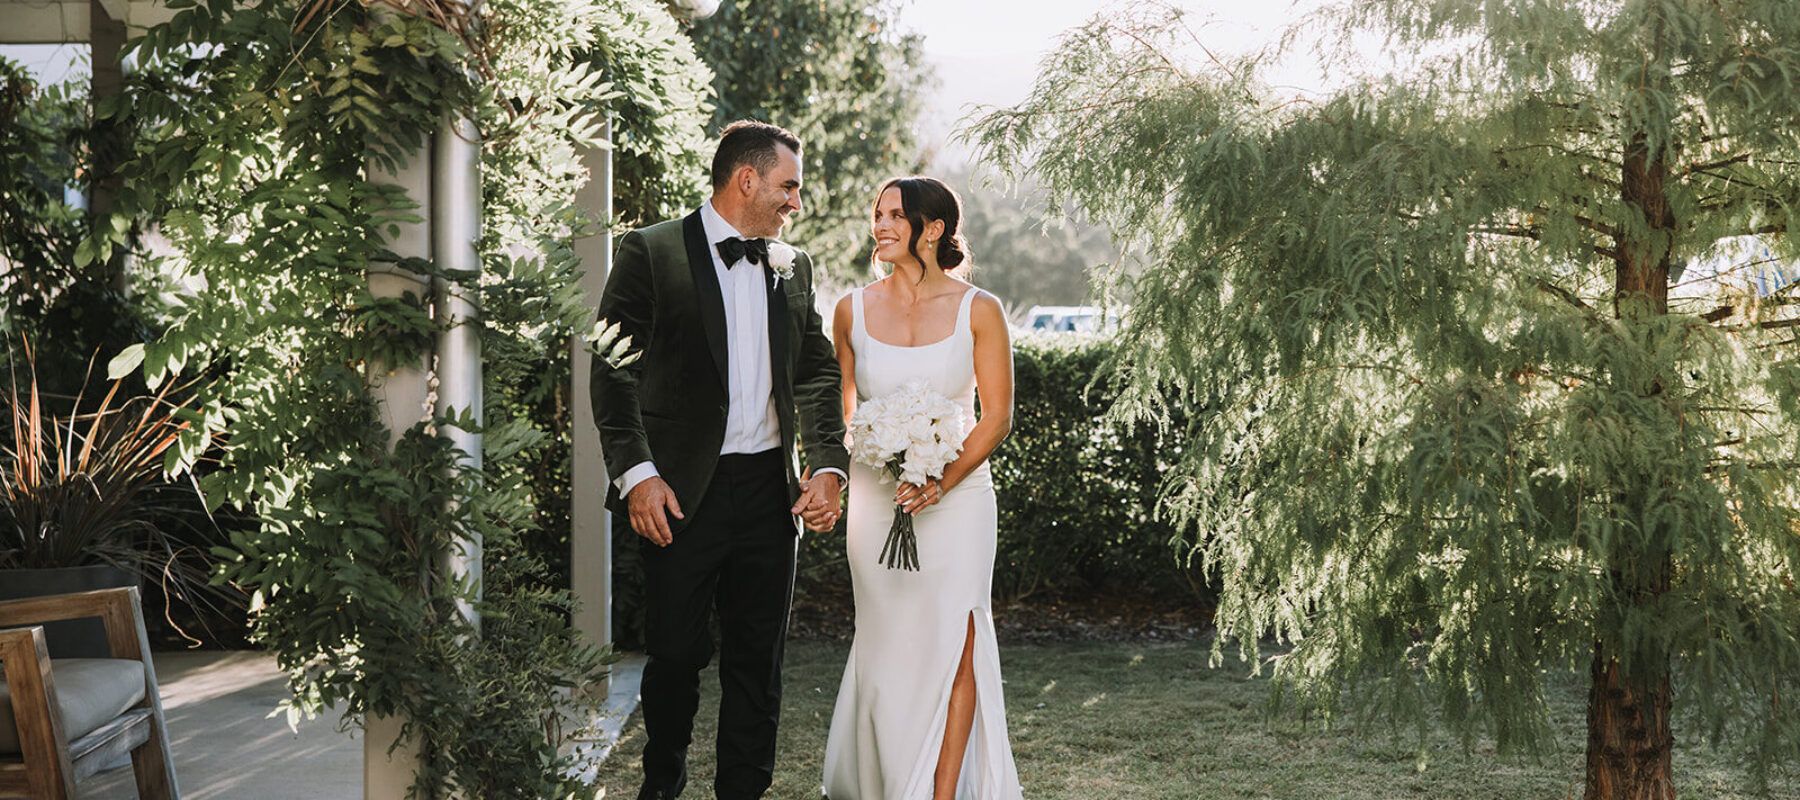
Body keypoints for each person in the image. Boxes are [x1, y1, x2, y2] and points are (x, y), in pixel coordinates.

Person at [592, 120, 849, 800]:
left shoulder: (793, 266)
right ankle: (662, 784)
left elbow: (817, 372)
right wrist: (638, 476)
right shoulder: (651, 252)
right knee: (675, 656)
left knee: (757, 662)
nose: (795, 202)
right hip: (678, 493)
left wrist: (828, 464)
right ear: (747, 179)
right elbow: (612, 371)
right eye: (788, 187)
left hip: (768, 491)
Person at [821, 176, 1024, 799]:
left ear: (931, 229)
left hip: (959, 503)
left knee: (959, 642)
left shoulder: (980, 309)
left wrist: (941, 480)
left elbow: (996, 417)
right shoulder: (851, 310)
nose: (879, 225)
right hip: (877, 502)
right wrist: (864, 458)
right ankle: (890, 783)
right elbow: (841, 411)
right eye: (877, 214)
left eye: (894, 215)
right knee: (886, 648)